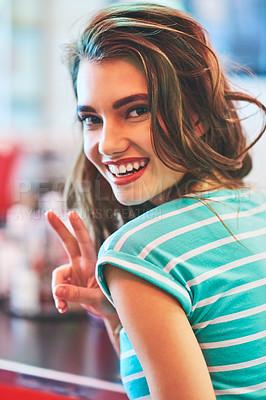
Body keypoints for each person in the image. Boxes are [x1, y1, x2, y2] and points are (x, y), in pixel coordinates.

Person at [46, 3, 266, 399]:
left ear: (196, 114)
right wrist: (118, 312)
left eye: (136, 110)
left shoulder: (141, 252)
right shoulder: (257, 208)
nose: (107, 145)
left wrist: (130, 273)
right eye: (91, 118)